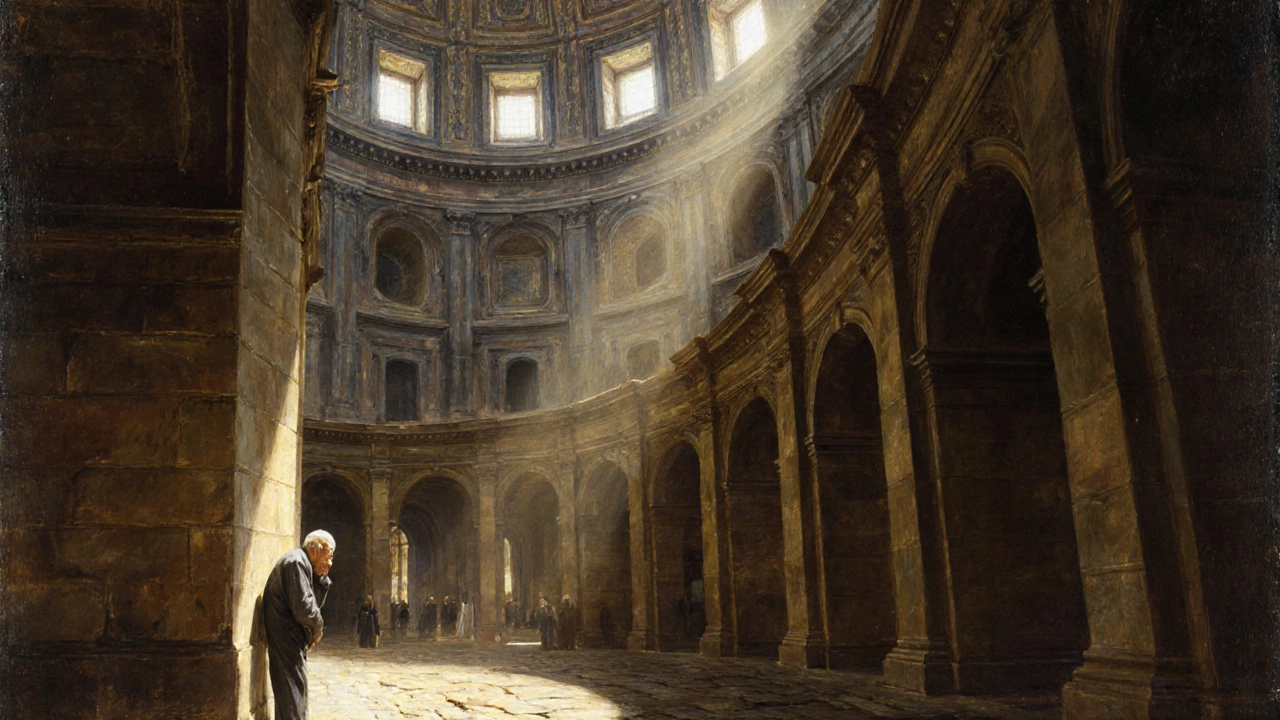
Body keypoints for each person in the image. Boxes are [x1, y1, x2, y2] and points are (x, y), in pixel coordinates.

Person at [263, 530, 334, 720]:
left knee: (294, 694)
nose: (330, 562)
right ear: (315, 548)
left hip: (291, 639)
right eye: (329, 555)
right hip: (287, 639)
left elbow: (311, 604)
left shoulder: (302, 564)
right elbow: (305, 610)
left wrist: (322, 582)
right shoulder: (296, 562)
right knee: (293, 695)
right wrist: (318, 631)